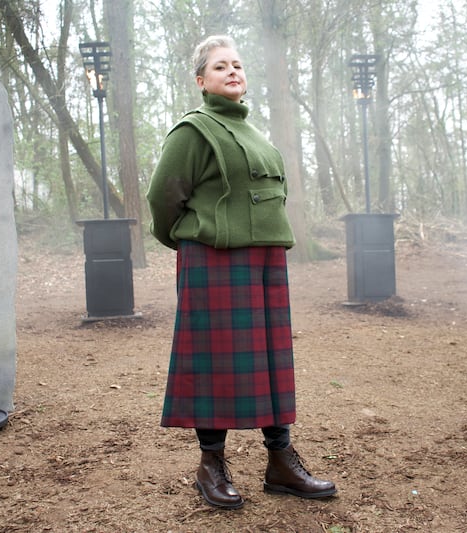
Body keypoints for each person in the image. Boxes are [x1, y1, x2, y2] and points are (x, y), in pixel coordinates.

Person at [146, 35, 336, 510]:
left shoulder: (255, 133)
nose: (232, 72)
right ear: (201, 80)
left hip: (265, 260)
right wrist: (190, 238)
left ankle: (280, 463)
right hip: (213, 259)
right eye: (220, 67)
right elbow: (161, 197)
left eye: (237, 65)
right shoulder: (193, 131)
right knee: (215, 361)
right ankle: (210, 465)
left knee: (270, 360)